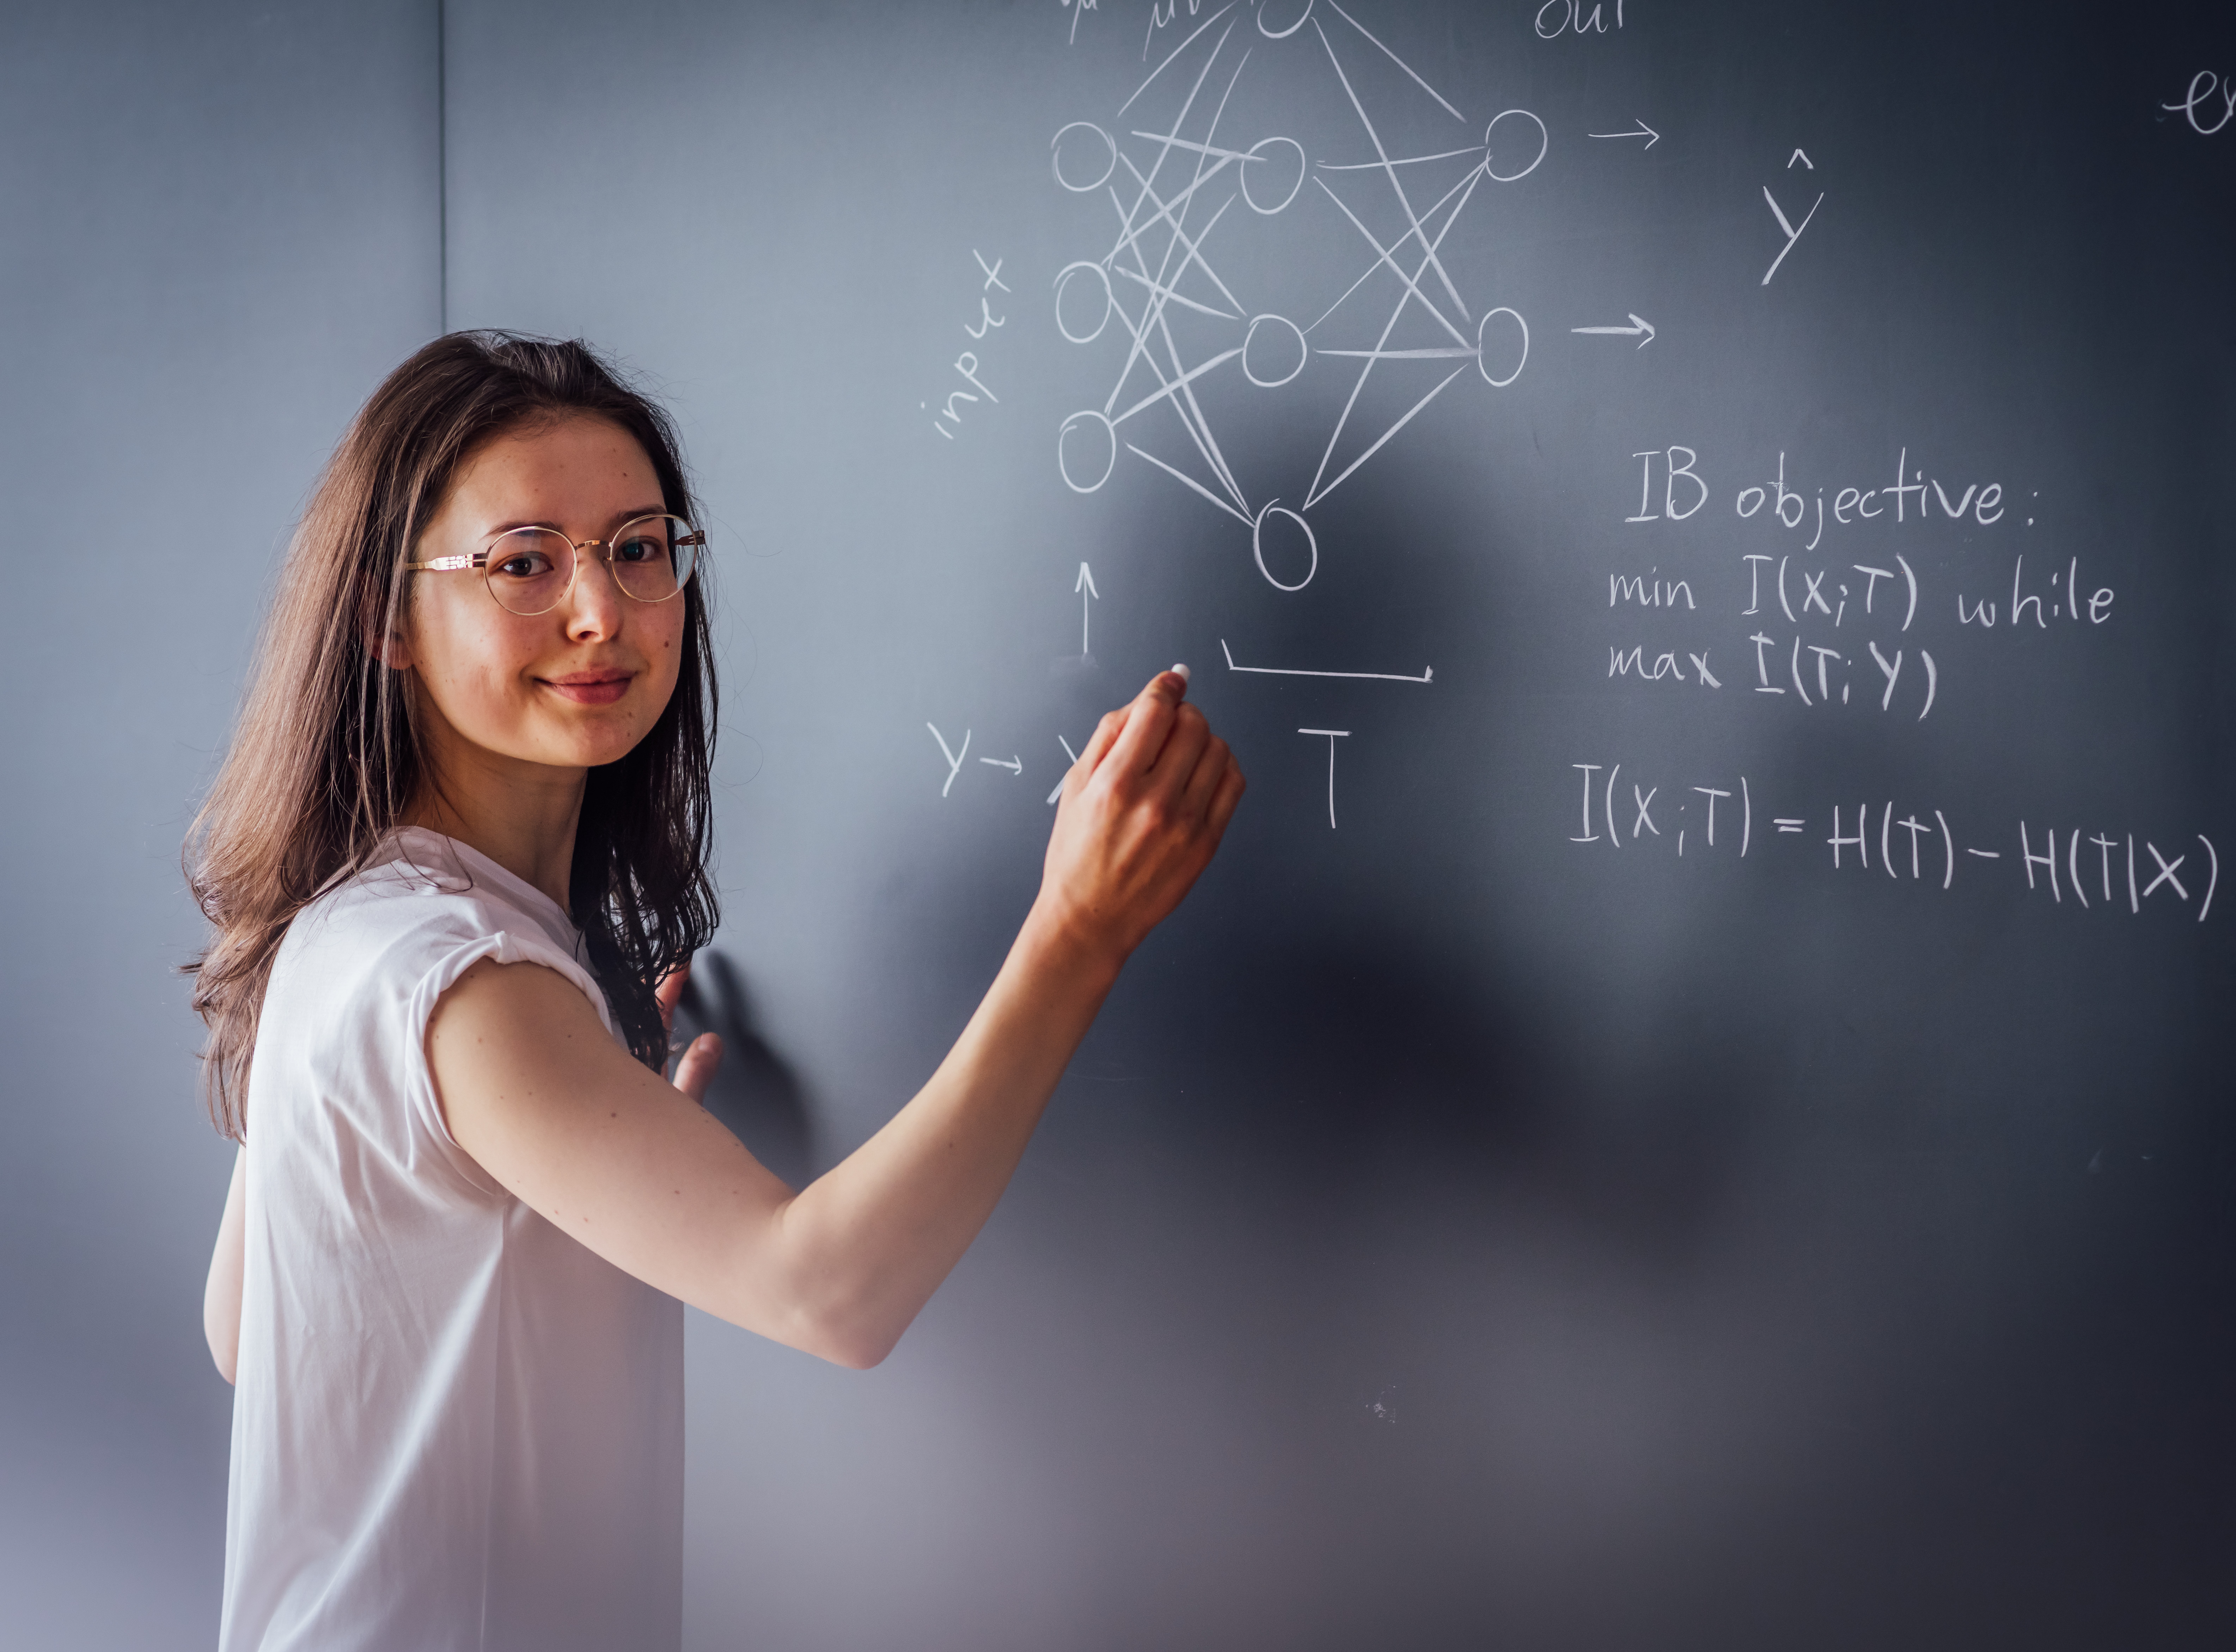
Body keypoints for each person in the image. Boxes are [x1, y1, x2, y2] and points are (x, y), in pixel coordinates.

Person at [189, 332, 1244, 1651]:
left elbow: (250, 1328)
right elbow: (830, 1295)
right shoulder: (470, 985)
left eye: (638, 548)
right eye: (524, 563)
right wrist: (1078, 931)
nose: (600, 610)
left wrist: (592, 1162)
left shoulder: (348, 929)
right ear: (386, 619)